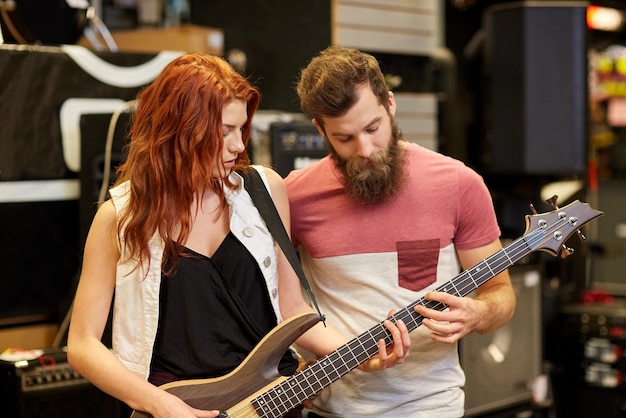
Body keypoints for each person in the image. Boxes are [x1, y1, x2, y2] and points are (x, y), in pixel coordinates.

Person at [66, 53, 411, 418]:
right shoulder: (120, 217)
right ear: (182, 130)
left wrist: (359, 354)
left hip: (271, 403)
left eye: (241, 129)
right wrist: (158, 403)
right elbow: (82, 344)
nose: (238, 146)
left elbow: (291, 312)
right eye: (225, 131)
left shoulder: (265, 191)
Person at [285, 46, 517, 418]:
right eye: (344, 138)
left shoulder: (459, 184)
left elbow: (501, 294)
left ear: (390, 104)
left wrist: (478, 313)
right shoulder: (294, 196)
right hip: (330, 408)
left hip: (429, 406)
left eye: (372, 128)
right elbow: (271, 301)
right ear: (320, 130)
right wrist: (289, 363)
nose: (364, 149)